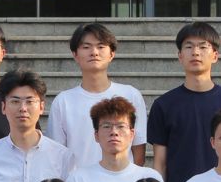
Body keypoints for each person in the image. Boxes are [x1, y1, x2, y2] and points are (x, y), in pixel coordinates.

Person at [148, 21, 221, 182]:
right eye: (189, 47)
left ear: (215, 55)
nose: (195, 52)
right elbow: (160, 163)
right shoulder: (163, 105)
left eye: (203, 47)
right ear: (180, 56)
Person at [47, 22, 148, 168]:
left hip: (122, 181)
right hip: (77, 181)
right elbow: (56, 154)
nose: (94, 52)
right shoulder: (63, 101)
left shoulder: (131, 95)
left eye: (101, 47)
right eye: (86, 47)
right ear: (75, 55)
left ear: (111, 54)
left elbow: (138, 151)